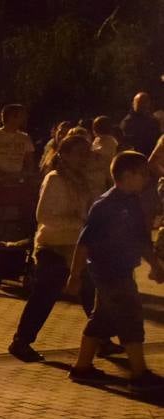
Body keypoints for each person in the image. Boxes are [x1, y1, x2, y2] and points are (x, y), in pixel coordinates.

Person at [65, 152, 164, 392]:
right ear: (127, 175)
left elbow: (141, 240)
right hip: (109, 270)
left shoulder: (132, 202)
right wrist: (74, 275)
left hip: (121, 269)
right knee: (131, 317)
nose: (147, 178)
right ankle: (139, 373)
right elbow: (84, 242)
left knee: (102, 318)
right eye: (143, 173)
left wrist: (154, 265)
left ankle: (82, 367)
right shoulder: (105, 205)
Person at [9, 135, 97, 362]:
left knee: (91, 291)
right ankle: (21, 341)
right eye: (79, 154)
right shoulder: (55, 179)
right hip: (53, 244)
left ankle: (101, 338)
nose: (84, 159)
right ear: (65, 155)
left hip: (76, 244)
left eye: (86, 154)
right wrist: (80, 222)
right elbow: (44, 215)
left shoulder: (82, 181)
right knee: (45, 294)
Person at [0, 104, 36, 188]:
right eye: (21, 116)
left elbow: (30, 163)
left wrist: (22, 176)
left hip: (17, 186)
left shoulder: (25, 138)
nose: (24, 119)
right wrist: (5, 176)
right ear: (11, 117)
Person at [120, 91, 159, 155]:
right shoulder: (128, 122)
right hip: (135, 158)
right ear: (133, 104)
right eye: (140, 102)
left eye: (145, 102)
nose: (143, 105)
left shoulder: (153, 121)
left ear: (148, 104)